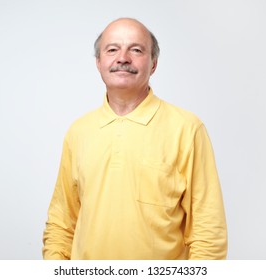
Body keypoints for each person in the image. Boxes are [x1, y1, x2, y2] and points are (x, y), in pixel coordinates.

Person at [42, 18, 227, 260]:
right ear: (99, 63)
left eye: (136, 50)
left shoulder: (187, 129)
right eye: (112, 49)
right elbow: (61, 223)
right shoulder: (79, 132)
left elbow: (208, 231)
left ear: (153, 64)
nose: (123, 58)